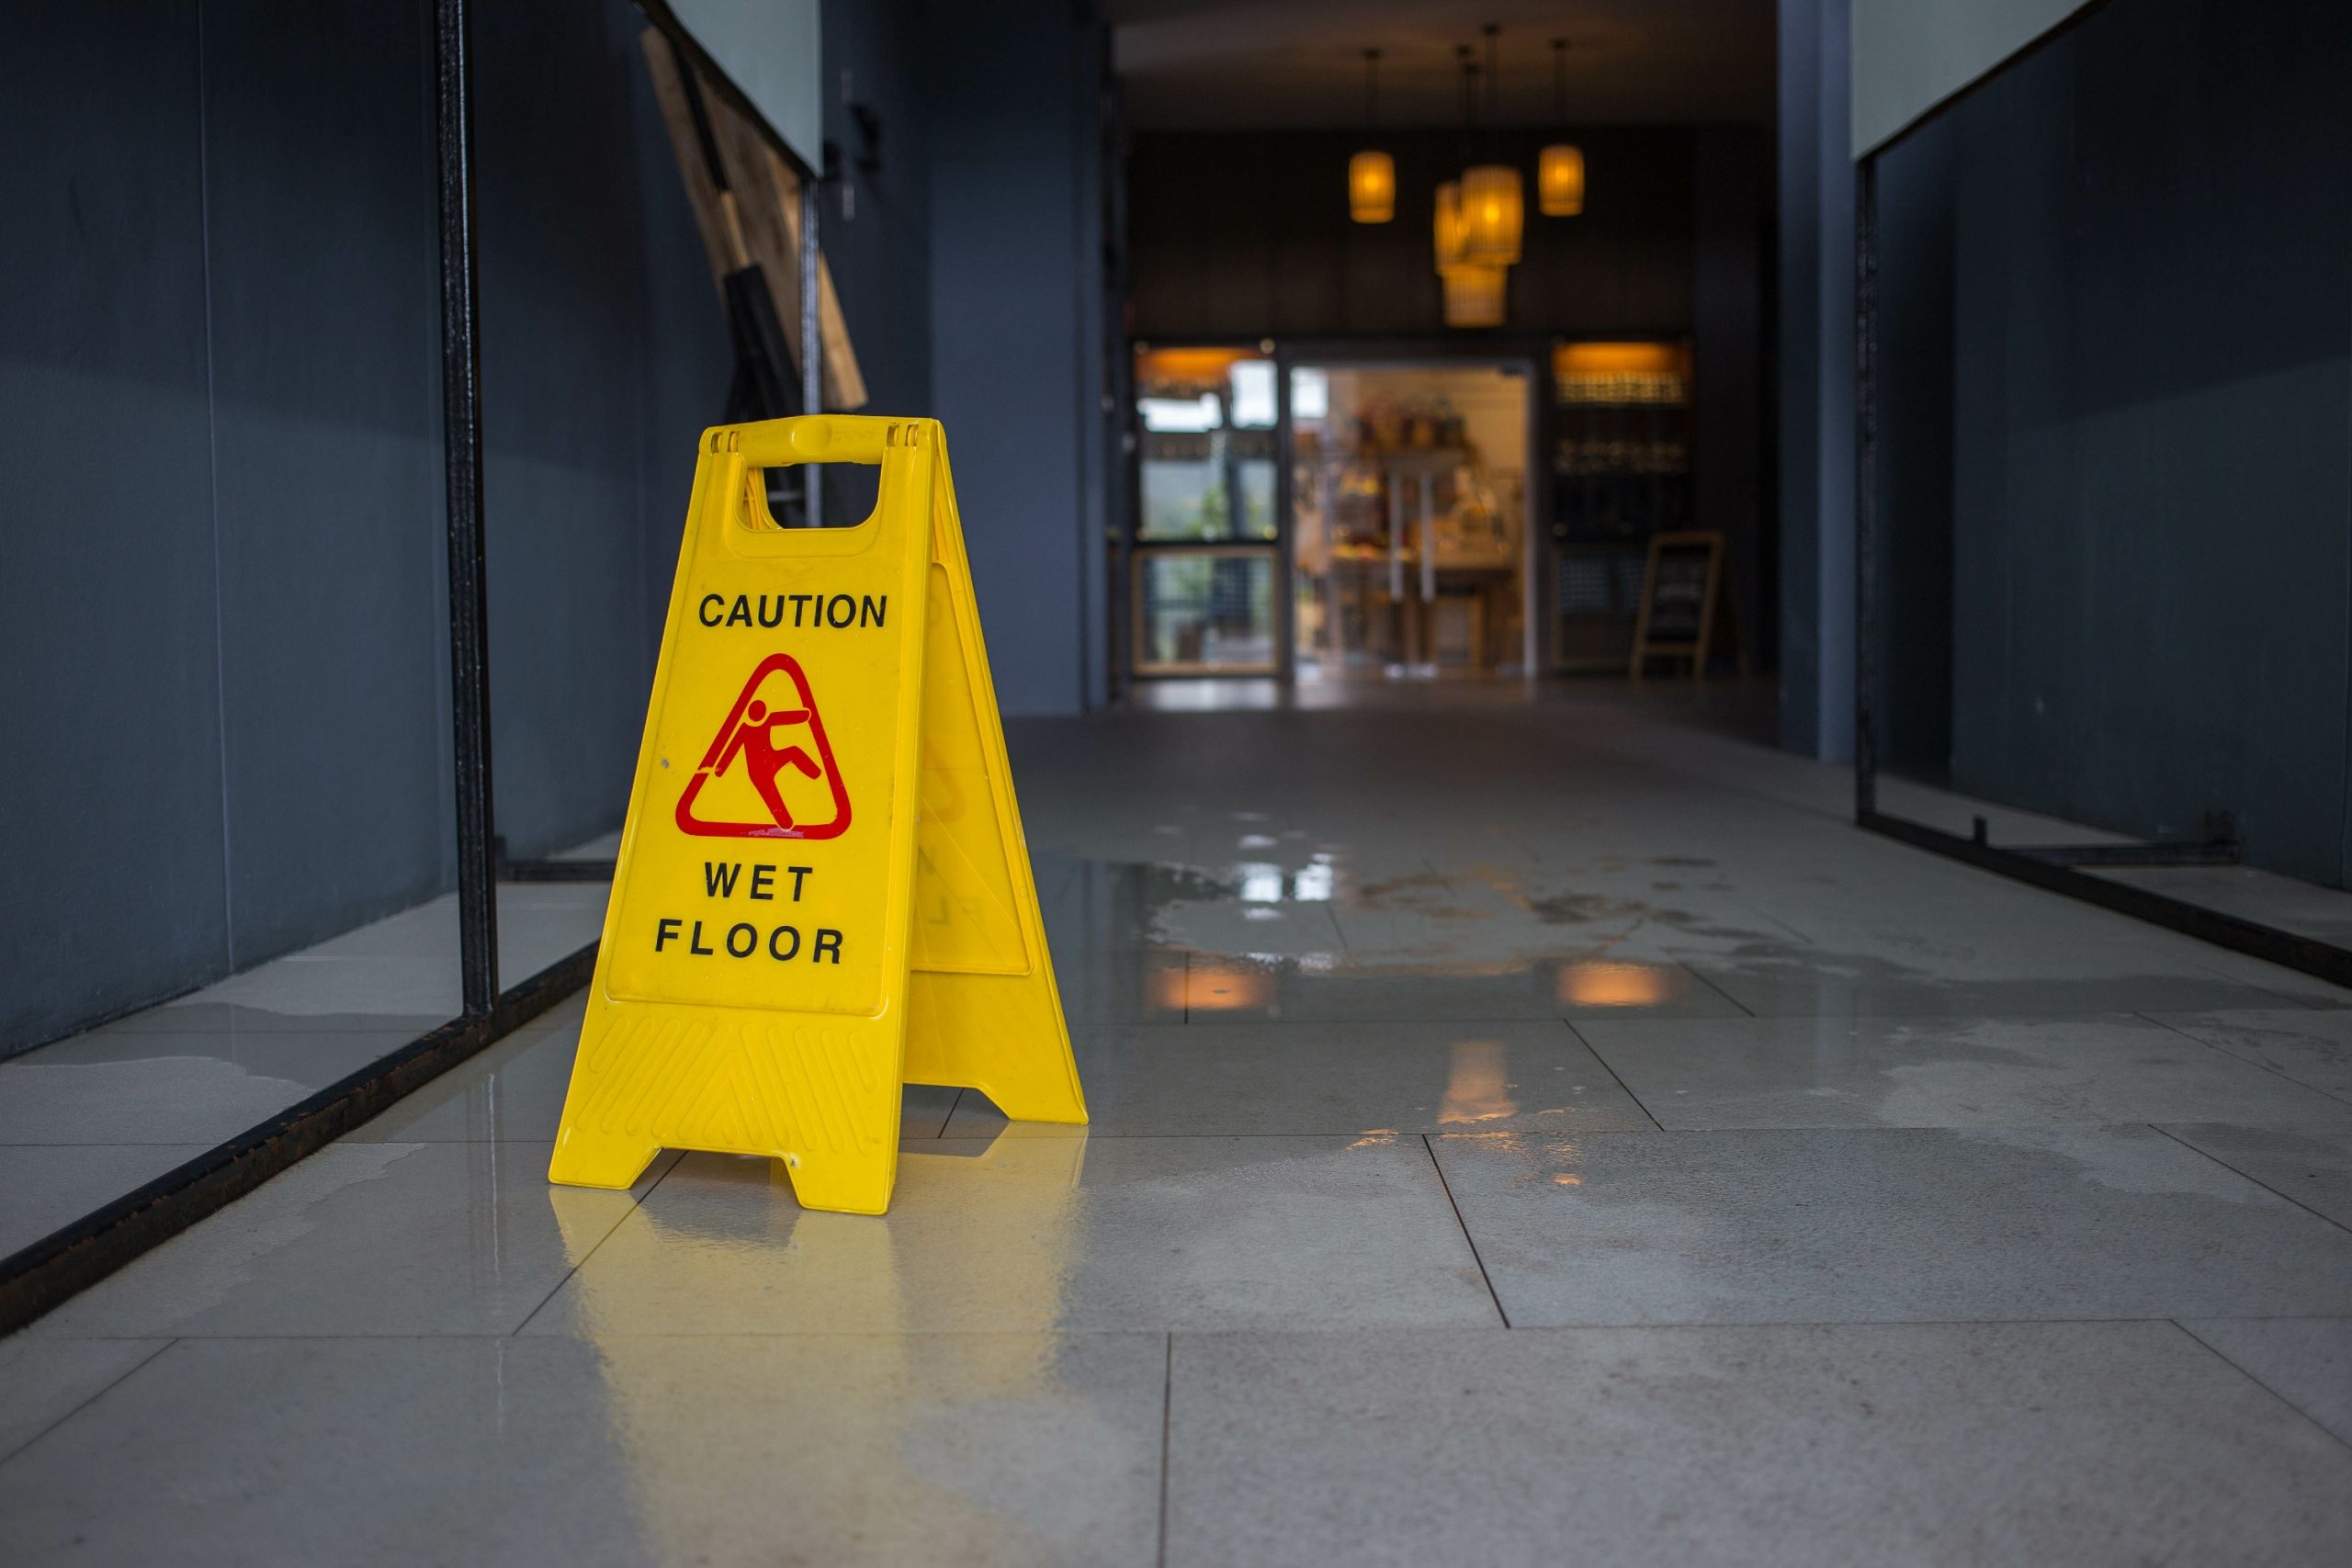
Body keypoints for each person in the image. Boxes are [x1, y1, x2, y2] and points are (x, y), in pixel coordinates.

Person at [712, 697, 822, 830]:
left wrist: (805, 715)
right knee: (773, 798)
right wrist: (720, 770)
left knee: (793, 751)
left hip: (771, 759)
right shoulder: (744, 730)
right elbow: (731, 750)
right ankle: (785, 824)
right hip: (758, 772)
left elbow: (786, 717)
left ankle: (816, 774)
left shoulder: (767, 721)